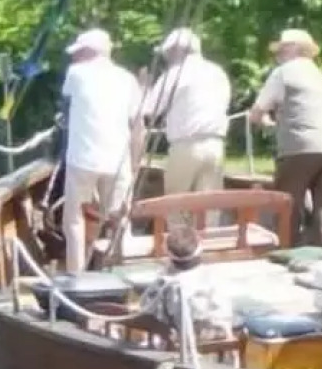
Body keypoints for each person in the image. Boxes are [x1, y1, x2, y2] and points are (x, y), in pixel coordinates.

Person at [247, 28, 322, 250]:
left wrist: (265, 122)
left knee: (287, 206)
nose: (277, 55)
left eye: (281, 50)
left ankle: (286, 252)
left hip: (300, 148)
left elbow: (257, 112)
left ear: (292, 49)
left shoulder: (283, 72)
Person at [59, 27, 141, 273]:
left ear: (88, 51)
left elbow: (66, 103)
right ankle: (120, 271)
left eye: (79, 52)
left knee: (74, 219)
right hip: (118, 160)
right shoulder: (128, 79)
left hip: (82, 159)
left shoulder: (75, 73)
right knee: (119, 218)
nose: (75, 57)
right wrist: (135, 162)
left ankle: (75, 274)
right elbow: (138, 125)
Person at [137, 27, 232, 195]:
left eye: (167, 53)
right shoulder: (218, 73)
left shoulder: (175, 74)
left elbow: (150, 110)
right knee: (208, 204)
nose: (166, 58)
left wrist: (144, 86)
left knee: (176, 203)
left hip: (186, 144)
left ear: (176, 50)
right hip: (216, 145)